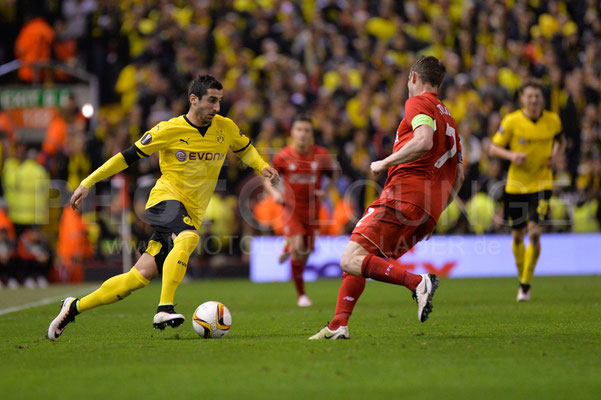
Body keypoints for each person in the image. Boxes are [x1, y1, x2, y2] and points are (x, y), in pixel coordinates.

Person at [48, 75, 279, 341]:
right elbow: (126, 157)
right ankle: (164, 308)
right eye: (211, 101)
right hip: (162, 201)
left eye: (220, 101)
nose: (217, 107)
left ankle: (73, 307)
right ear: (193, 100)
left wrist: (262, 166)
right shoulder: (168, 129)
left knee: (137, 277)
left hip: (190, 212)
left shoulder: (225, 128)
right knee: (189, 237)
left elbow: (245, 149)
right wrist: (88, 182)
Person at [309, 56, 464, 340]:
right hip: (427, 211)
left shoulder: (419, 103)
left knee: (349, 258)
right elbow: (460, 177)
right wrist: (433, 213)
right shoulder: (449, 119)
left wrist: (384, 162)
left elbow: (424, 140)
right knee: (362, 258)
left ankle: (418, 282)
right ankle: (338, 324)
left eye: (408, 79)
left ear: (414, 78)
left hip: (403, 195)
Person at [489, 80, 564, 302]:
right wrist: (512, 156)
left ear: (542, 98)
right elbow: (493, 147)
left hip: (542, 183)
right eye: (529, 96)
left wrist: (556, 154)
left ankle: (525, 284)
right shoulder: (512, 121)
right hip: (516, 186)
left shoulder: (553, 120)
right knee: (517, 236)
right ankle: (523, 276)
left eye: (537, 96)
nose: (533, 100)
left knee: (535, 233)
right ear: (522, 98)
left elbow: (561, 140)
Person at [263, 115, 335, 307]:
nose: (303, 134)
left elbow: (332, 176)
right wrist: (275, 194)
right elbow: (267, 179)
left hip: (312, 210)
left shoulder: (322, 155)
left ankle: (288, 247)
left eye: (307, 130)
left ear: (311, 134)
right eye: (299, 130)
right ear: (292, 132)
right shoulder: (283, 156)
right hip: (291, 208)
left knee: (305, 252)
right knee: (299, 248)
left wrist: (324, 192)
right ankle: (301, 295)